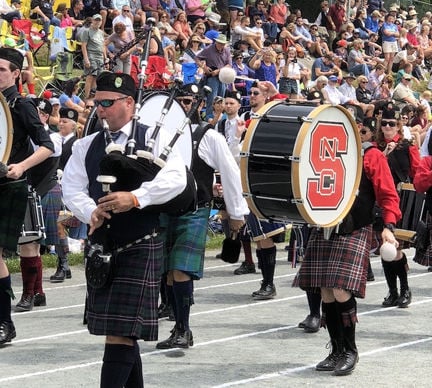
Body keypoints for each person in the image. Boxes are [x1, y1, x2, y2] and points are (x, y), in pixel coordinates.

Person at [61, 72, 187, 386]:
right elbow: (72, 188)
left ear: (129, 103)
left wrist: (135, 198)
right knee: (123, 332)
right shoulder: (86, 145)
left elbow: (177, 180)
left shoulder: (154, 138)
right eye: (96, 103)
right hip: (102, 246)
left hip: (141, 242)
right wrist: (91, 210)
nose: (99, 109)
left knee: (119, 333)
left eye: (107, 102)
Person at [293, 113, 401, 376]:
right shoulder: (320, 152)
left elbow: (387, 193)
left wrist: (388, 226)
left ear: (359, 129)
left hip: (356, 226)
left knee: (341, 289)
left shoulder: (371, 155)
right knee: (326, 291)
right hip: (326, 225)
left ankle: (351, 350)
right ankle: (337, 350)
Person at [156, 85, 249, 350]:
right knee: (168, 274)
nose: (183, 106)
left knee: (181, 271)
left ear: (197, 104)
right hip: (164, 211)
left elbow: (230, 173)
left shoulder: (207, 136)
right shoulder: (158, 135)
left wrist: (235, 213)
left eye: (188, 101)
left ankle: (184, 329)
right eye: (179, 101)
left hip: (194, 210)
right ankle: (177, 326)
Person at [0, 47, 54, 345]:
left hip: (14, 184)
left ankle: (24, 299)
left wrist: (20, 166)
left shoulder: (22, 105)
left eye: (1, 70)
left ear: (16, 74)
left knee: (27, 244)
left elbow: (47, 146)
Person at [15, 98, 63, 310]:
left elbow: (51, 150)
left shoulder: (52, 137)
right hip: (28, 189)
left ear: (43, 116)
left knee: (33, 241)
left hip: (45, 189)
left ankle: (61, 266)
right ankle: (38, 292)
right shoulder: (24, 136)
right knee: (29, 242)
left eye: (38, 113)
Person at [374, 104, 420, 309]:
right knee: (385, 250)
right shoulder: (374, 147)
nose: (387, 127)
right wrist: (383, 154)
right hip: (379, 202)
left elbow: (417, 173)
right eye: (384, 123)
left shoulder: (407, 145)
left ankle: (405, 289)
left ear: (399, 125)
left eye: (392, 124)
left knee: (395, 248)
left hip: (400, 201)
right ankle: (392, 291)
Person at [49, 107, 80, 283]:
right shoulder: (55, 140)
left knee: (61, 225)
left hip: (68, 189)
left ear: (73, 125)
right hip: (56, 187)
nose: (61, 123)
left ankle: (63, 265)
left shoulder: (75, 143)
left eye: (65, 121)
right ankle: (64, 265)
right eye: (60, 121)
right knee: (59, 226)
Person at [196, 33, 232, 119]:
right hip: (212, 77)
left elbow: (229, 65)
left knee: (221, 99)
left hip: (222, 76)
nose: (221, 45)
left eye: (223, 44)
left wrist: (219, 70)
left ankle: (219, 117)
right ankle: (209, 117)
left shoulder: (226, 50)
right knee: (212, 99)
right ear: (216, 42)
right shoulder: (209, 49)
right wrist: (204, 67)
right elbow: (197, 58)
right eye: (220, 43)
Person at [81, 14, 107, 99]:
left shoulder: (101, 33)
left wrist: (105, 57)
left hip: (100, 57)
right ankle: (86, 98)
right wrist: (86, 59)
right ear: (92, 20)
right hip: (91, 55)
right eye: (96, 20)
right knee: (90, 77)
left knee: (97, 77)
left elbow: (103, 46)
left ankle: (92, 97)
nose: (97, 22)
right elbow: (83, 46)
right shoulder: (87, 31)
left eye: (99, 20)